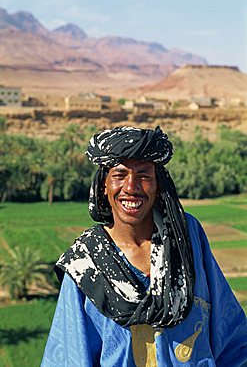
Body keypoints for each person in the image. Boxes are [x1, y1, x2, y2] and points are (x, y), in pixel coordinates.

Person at [41, 126, 247, 367]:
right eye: (119, 175)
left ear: (158, 184)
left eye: (144, 175)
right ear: (103, 187)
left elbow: (232, 340)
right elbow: (69, 358)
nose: (131, 187)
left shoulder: (186, 239)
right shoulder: (84, 263)